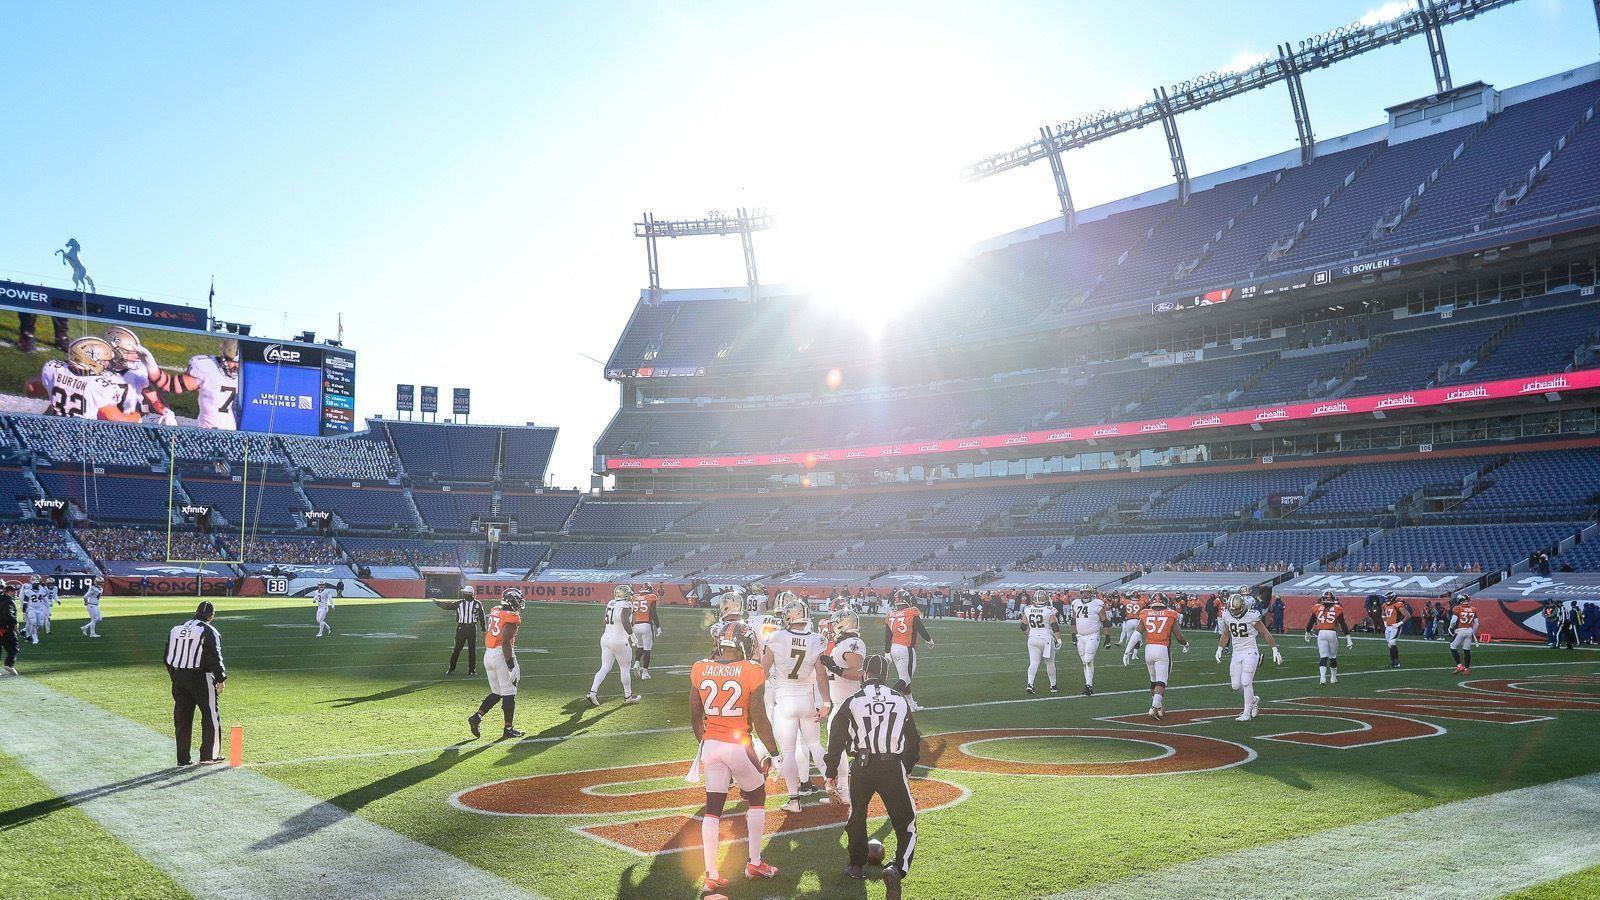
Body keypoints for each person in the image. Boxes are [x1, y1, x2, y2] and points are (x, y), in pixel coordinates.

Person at [691, 619, 780, 890]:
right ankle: (754, 862)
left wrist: (704, 743)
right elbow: (759, 717)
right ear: (745, 644)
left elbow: (695, 714)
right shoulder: (751, 670)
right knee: (757, 794)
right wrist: (774, 752)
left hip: (711, 745)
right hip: (737, 744)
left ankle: (711, 874)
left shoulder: (700, 667)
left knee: (713, 807)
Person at [824, 654, 921, 898]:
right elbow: (913, 739)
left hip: (862, 766)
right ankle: (897, 869)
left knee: (857, 817)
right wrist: (907, 766)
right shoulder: (899, 699)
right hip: (891, 766)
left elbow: (836, 738)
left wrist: (831, 771)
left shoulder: (853, 700)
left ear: (864, 674)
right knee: (906, 824)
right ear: (886, 676)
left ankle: (856, 866)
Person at [762, 595, 829, 812]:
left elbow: (762, 670)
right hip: (807, 698)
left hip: (785, 700)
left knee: (789, 752)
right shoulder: (816, 639)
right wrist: (826, 702)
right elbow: (821, 675)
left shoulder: (776, 637)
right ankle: (834, 787)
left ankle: (794, 801)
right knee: (815, 745)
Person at [165, 600, 228, 767]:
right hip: (200, 677)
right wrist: (221, 678)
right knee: (210, 715)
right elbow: (214, 655)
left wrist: (175, 676)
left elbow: (167, 656)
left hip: (179, 676)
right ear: (210, 616)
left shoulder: (176, 629)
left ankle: (183, 758)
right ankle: (209, 755)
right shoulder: (208, 630)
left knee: (182, 717)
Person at [818, 609, 867, 809]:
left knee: (852, 750)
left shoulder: (852, 644)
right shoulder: (844, 644)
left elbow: (859, 673)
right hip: (841, 705)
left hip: (850, 706)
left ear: (842, 623)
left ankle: (855, 791)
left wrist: (835, 668)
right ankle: (845, 791)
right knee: (837, 751)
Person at [145, 338, 242, 430]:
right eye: (233, 361)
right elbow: (168, 384)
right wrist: (150, 364)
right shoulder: (208, 368)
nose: (236, 366)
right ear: (224, 356)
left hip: (231, 429)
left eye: (239, 362)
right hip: (208, 430)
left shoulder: (247, 374)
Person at [468, 588, 525, 739]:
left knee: (497, 692)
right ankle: (508, 729)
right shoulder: (511, 617)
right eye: (518, 601)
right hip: (501, 654)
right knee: (509, 693)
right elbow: (506, 643)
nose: (519, 604)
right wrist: (511, 666)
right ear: (512, 602)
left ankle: (476, 717)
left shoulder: (496, 611)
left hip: (489, 654)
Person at [1217, 592, 1282, 721]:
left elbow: (1264, 632)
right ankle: (1253, 700)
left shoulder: (1251, 616)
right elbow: (1225, 634)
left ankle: (1246, 712)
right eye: (1232, 610)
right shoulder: (1227, 616)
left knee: (1246, 681)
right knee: (1235, 685)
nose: (1234, 613)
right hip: (1236, 653)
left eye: (1236, 610)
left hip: (1250, 651)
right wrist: (1220, 648)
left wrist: (1274, 649)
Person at [1135, 594, 1188, 720]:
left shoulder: (1145, 613)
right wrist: (1185, 644)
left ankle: (1159, 707)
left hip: (1148, 650)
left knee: (1153, 681)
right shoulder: (1170, 614)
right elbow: (1179, 636)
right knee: (1161, 682)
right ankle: (1153, 707)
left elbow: (1137, 633)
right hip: (1163, 649)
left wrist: (1127, 651)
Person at [587, 585, 640, 706]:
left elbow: (604, 620)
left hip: (606, 638)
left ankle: (592, 692)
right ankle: (628, 696)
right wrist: (632, 636)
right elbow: (625, 620)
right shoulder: (626, 605)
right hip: (619, 640)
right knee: (625, 668)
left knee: (604, 667)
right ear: (625, 594)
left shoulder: (611, 603)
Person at [884, 591, 933, 711]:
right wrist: (929, 640)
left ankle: (911, 705)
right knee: (906, 679)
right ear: (907, 600)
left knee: (904, 678)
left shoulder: (890, 614)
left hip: (894, 648)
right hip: (905, 649)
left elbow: (887, 635)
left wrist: (887, 652)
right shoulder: (912, 612)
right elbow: (921, 628)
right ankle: (887, 700)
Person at [433, 585, 484, 675]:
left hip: (472, 628)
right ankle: (451, 669)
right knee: (457, 649)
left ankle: (472, 670)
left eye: (464, 593)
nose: (463, 594)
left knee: (472, 650)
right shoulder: (459, 603)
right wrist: (437, 602)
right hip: (461, 628)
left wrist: (484, 629)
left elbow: (482, 617)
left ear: (469, 594)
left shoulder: (477, 603)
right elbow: (447, 606)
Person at [1305, 591, 1354, 685]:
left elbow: (1311, 622)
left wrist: (1307, 632)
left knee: (1323, 656)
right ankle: (1333, 677)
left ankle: (1322, 678)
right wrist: (1348, 637)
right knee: (1333, 657)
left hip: (1321, 633)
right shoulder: (1337, 608)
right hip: (1332, 633)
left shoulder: (1317, 607)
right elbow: (1343, 624)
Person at [1019, 590, 1061, 695]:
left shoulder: (1028, 609)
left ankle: (1030, 684)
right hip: (1046, 639)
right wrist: (1059, 639)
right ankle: (1053, 686)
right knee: (1050, 663)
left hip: (1033, 639)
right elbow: (1054, 626)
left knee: (1033, 663)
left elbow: (1023, 626)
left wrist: (1031, 634)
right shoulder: (1049, 610)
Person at [1069, 589, 1108, 696]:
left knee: (1088, 660)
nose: (1085, 594)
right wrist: (1073, 634)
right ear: (1080, 594)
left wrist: (1107, 637)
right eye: (1083, 592)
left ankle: (1088, 685)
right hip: (1080, 636)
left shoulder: (1097, 604)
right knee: (1085, 662)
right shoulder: (1076, 603)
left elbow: (1104, 621)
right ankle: (1088, 684)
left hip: (1093, 635)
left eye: (1088, 592)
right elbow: (1073, 620)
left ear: (1092, 593)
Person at [630, 583, 662, 680]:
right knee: (647, 649)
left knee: (640, 646)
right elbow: (653, 613)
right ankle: (645, 673)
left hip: (636, 625)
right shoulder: (651, 597)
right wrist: (658, 626)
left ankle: (636, 663)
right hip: (646, 625)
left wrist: (631, 626)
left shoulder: (635, 597)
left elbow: (631, 614)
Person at [1447, 593, 1480, 673]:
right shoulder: (1474, 609)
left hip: (1460, 630)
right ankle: (1467, 669)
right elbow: (1477, 623)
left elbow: (1454, 621)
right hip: (1469, 630)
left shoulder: (1457, 608)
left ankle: (1459, 666)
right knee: (1466, 650)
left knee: (1453, 646)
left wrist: (1451, 627)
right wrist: (1473, 632)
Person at [1381, 592, 1411, 668]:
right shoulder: (1384, 605)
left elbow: (1407, 615)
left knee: (1392, 643)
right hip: (1388, 627)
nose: (1387, 600)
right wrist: (1384, 621)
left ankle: (1396, 662)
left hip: (1395, 627)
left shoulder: (1398, 605)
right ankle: (1393, 662)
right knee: (1390, 645)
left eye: (1388, 599)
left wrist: (1400, 623)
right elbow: (1383, 613)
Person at [1118, 592, 1146, 664]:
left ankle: (1127, 652)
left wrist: (1125, 617)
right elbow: (1144, 612)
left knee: (1129, 638)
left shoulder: (1126, 602)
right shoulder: (1141, 603)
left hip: (1129, 621)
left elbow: (1121, 612)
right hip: (1137, 620)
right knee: (1138, 638)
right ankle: (1134, 655)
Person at [1, 582, 19, 675]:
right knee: (13, 648)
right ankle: (9, 664)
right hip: (6, 628)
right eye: (12, 591)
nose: (14, 593)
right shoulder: (9, 601)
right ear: (7, 592)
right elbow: (8, 613)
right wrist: (14, 622)